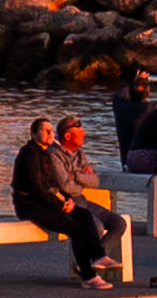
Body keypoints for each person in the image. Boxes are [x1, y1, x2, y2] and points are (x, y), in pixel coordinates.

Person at [13, 114, 114, 283]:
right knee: (74, 227)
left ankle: (98, 256)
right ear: (34, 134)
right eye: (45, 131)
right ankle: (88, 276)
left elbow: (54, 184)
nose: (50, 134)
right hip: (29, 205)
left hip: (46, 202)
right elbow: (36, 189)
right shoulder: (30, 154)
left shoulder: (44, 153)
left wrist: (67, 200)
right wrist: (60, 205)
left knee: (84, 215)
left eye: (51, 131)